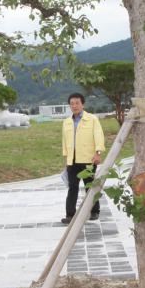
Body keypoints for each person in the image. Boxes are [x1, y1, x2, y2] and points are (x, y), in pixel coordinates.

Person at [61, 92, 105, 224]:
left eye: (77, 103)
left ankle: (94, 211)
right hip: (72, 160)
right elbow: (65, 142)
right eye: (72, 104)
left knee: (90, 186)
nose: (74, 106)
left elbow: (99, 136)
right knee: (72, 187)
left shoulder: (92, 119)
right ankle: (70, 215)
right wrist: (66, 160)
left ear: (82, 104)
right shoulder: (66, 122)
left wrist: (98, 153)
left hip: (88, 159)